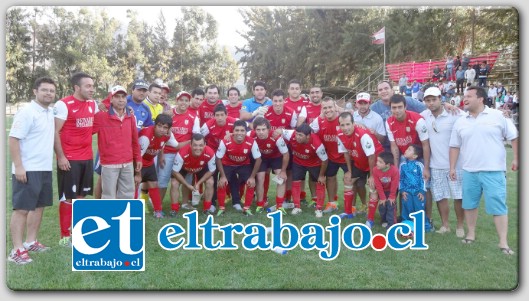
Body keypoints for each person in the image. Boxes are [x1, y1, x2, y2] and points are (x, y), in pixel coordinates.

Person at [449, 86, 518, 255]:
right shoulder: (461, 120)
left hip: (493, 170)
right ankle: (470, 235)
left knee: (498, 206)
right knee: (469, 205)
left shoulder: (498, 116)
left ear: (480, 99)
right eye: (464, 96)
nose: (464, 99)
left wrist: (517, 158)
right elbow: (454, 146)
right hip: (469, 171)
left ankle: (503, 243)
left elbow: (514, 137)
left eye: (469, 96)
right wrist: (452, 167)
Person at [8, 77, 56, 264]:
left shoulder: (50, 112)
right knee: (22, 209)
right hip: (27, 169)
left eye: (51, 91)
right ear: (35, 91)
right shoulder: (27, 112)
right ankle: (16, 250)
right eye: (44, 90)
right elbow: (13, 139)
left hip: (44, 168)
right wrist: (19, 166)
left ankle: (30, 242)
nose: (48, 94)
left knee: (39, 206)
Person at [54, 72, 97, 247]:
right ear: (77, 87)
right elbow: (54, 132)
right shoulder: (63, 104)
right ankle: (65, 236)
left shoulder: (92, 104)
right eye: (88, 86)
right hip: (69, 159)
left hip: (87, 158)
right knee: (68, 198)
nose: (92, 89)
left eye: (93, 86)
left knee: (81, 197)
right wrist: (61, 157)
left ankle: (77, 232)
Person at [421, 87, 465, 237]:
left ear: (440, 98)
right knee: (440, 197)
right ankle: (445, 225)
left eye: (434, 99)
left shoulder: (454, 113)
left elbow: (469, 118)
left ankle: (460, 226)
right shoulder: (424, 115)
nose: (431, 103)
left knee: (459, 196)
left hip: (456, 164)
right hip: (436, 164)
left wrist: (448, 104)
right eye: (428, 100)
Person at [92, 85, 142, 199]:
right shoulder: (101, 115)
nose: (121, 100)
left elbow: (135, 140)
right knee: (109, 195)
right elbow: (86, 132)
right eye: (117, 97)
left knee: (127, 194)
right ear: (111, 99)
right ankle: (108, 216)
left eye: (123, 97)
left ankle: (123, 216)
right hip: (109, 163)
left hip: (127, 163)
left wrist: (138, 158)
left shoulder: (130, 116)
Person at [336, 112, 384, 221]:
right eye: (342, 125)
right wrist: (349, 171)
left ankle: (370, 219)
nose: (345, 128)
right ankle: (348, 213)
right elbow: (346, 153)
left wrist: (372, 176)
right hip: (360, 160)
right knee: (348, 180)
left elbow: (372, 156)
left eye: (348, 124)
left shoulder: (363, 135)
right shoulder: (339, 134)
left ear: (353, 124)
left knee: (372, 186)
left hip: (375, 161)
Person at [157, 91, 200, 211]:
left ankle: (185, 203)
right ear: (177, 101)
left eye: (186, 100)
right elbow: (161, 136)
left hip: (185, 154)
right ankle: (158, 205)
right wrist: (161, 154)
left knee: (187, 179)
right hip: (168, 153)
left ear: (189, 102)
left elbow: (195, 136)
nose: (184, 103)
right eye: (181, 100)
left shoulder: (193, 117)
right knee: (163, 179)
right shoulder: (169, 115)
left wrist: (184, 146)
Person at [279, 124, 328, 217]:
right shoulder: (292, 134)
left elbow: (325, 160)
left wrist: (321, 176)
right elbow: (280, 131)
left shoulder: (317, 144)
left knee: (320, 183)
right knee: (296, 182)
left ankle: (319, 209)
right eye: (297, 134)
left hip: (314, 164)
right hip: (298, 162)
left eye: (300, 135)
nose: (297, 137)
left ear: (308, 136)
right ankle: (297, 207)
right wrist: (278, 132)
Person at [215, 120, 262, 216]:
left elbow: (258, 159)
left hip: (244, 164)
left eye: (242, 130)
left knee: (250, 183)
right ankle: (221, 208)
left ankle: (246, 208)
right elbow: (218, 158)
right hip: (228, 164)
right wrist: (223, 176)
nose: (239, 133)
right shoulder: (225, 141)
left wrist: (252, 177)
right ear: (233, 131)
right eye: (237, 130)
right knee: (222, 183)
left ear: (246, 131)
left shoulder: (251, 141)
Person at [310, 97, 347, 214]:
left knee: (350, 180)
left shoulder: (343, 120)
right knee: (330, 178)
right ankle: (332, 203)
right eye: (325, 108)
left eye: (330, 107)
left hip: (346, 156)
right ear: (322, 109)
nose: (328, 110)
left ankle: (352, 206)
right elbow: (308, 131)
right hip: (330, 156)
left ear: (335, 107)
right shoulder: (319, 121)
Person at [138, 114, 178, 218]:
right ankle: (133, 210)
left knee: (154, 184)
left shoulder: (167, 135)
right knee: (134, 185)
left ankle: (158, 211)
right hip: (139, 161)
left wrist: (161, 156)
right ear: (155, 125)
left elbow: (175, 145)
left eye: (165, 127)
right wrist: (137, 173)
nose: (162, 129)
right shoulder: (146, 136)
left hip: (149, 161)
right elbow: (137, 156)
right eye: (159, 126)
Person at [200, 104, 237, 213]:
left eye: (222, 115)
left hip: (228, 155)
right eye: (217, 115)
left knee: (232, 177)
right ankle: (212, 202)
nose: (220, 117)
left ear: (226, 115)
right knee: (213, 176)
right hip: (213, 154)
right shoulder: (208, 124)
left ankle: (236, 202)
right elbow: (198, 136)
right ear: (214, 116)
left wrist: (233, 135)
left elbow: (244, 130)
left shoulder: (233, 121)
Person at [251, 117, 289, 214]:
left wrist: (284, 171)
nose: (261, 132)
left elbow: (286, 154)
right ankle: (260, 204)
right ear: (254, 130)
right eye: (258, 130)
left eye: (263, 129)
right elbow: (239, 135)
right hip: (261, 158)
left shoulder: (276, 136)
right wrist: (230, 135)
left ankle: (279, 205)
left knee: (281, 178)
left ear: (269, 129)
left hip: (275, 157)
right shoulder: (251, 135)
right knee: (260, 178)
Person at [171, 133, 216, 216]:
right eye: (195, 145)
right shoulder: (182, 153)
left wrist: (198, 183)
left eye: (201, 145)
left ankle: (206, 208)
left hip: (201, 167)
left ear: (205, 145)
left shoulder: (210, 152)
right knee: (174, 183)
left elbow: (211, 171)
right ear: (190, 145)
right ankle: (174, 209)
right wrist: (187, 185)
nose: (198, 148)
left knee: (210, 181)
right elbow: (175, 171)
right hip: (184, 168)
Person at [399, 144, 433, 232]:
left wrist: (422, 191)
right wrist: (402, 191)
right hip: (407, 192)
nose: (406, 150)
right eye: (407, 149)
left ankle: (425, 226)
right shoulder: (402, 165)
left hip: (418, 192)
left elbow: (423, 179)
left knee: (419, 209)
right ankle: (406, 226)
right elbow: (400, 179)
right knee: (406, 208)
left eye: (409, 150)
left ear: (415, 156)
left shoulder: (419, 165)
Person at [369, 152, 400, 229]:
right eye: (377, 161)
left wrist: (392, 196)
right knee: (382, 206)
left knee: (391, 205)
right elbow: (378, 185)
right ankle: (384, 220)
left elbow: (394, 184)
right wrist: (382, 197)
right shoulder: (375, 170)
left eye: (380, 162)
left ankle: (392, 223)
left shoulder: (394, 170)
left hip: (391, 190)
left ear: (388, 164)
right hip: (382, 190)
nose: (377, 163)